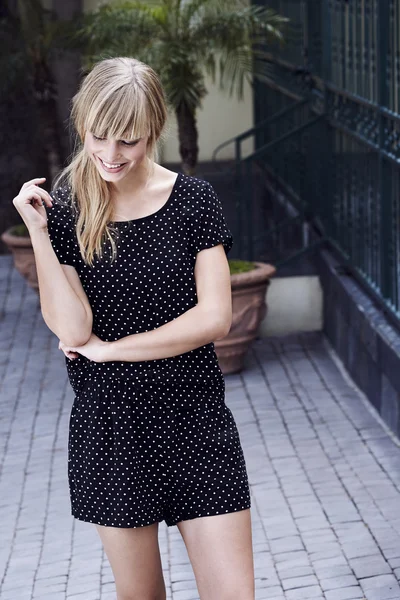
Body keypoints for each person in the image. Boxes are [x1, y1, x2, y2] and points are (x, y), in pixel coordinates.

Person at [12, 57, 254, 600]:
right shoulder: (69, 206)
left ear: (154, 130)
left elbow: (216, 317)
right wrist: (39, 234)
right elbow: (73, 329)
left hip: (195, 419)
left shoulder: (194, 201)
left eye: (129, 141)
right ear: (83, 124)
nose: (112, 155)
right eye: (100, 137)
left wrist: (115, 351)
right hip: (113, 429)